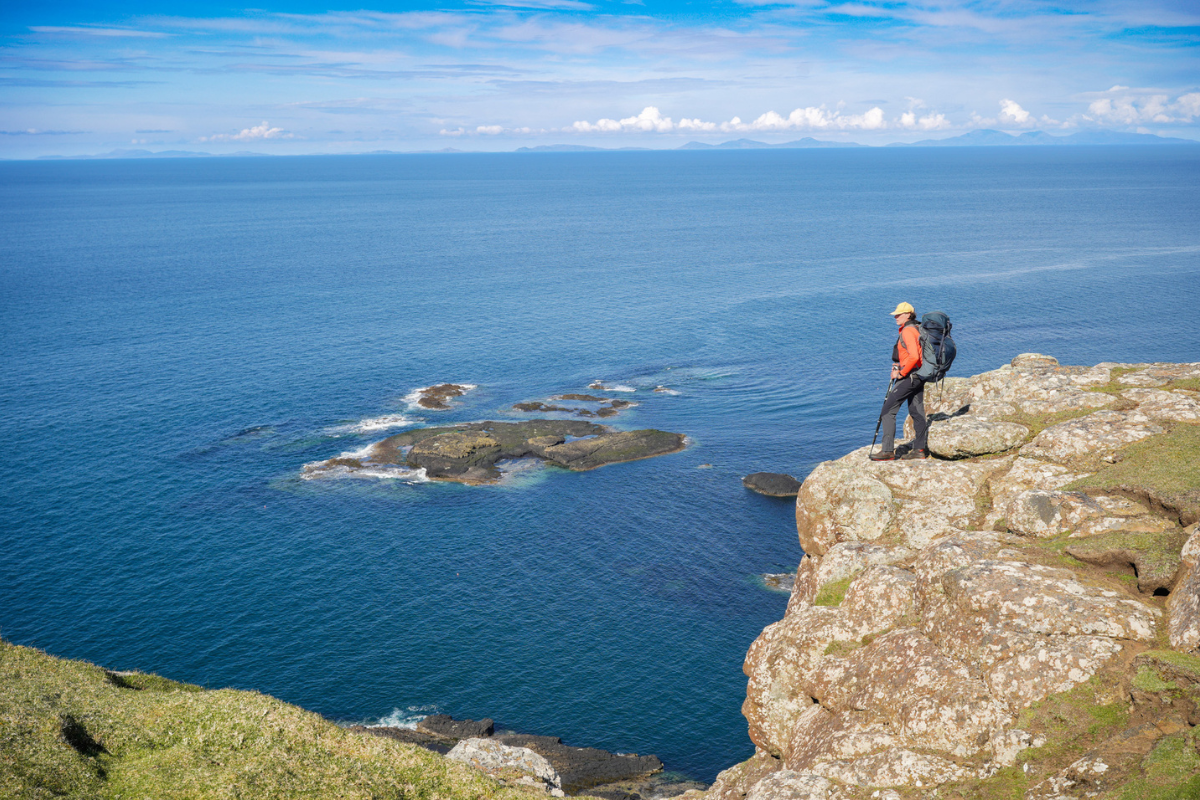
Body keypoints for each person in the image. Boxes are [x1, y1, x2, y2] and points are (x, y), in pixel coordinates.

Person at [870, 302, 928, 461]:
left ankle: (887, 451)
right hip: (919, 375)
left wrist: (901, 373)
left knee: (887, 411)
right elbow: (908, 354)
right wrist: (897, 365)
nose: (896, 317)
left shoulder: (908, 331)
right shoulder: (916, 328)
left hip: (909, 376)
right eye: (896, 314)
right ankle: (919, 450)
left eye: (899, 314)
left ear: (908, 315)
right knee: (917, 411)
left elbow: (914, 356)